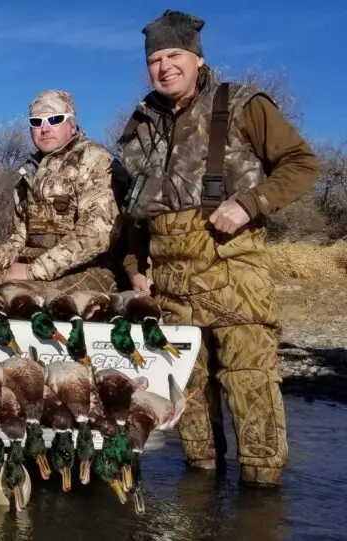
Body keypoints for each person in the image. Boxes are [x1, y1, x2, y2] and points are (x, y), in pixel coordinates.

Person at [117, 10, 320, 488]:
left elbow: (301, 163)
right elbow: (135, 208)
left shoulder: (243, 103)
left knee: (250, 391)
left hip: (234, 278)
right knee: (187, 402)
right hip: (170, 286)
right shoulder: (141, 122)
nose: (164, 67)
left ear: (197, 57)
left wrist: (251, 203)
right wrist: (133, 264)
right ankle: (200, 501)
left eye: (174, 56)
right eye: (155, 59)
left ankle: (262, 504)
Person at [0, 90, 122, 293]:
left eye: (54, 119)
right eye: (37, 122)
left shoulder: (93, 159)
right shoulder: (29, 172)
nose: (45, 129)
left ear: (72, 125)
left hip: (87, 270)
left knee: (17, 296)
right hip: (32, 267)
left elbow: (97, 233)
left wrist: (34, 271)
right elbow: (20, 240)